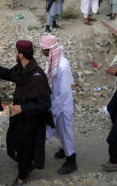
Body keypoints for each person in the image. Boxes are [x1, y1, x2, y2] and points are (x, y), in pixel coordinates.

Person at [0, 40, 53, 185]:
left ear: (21, 55)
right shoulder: (22, 69)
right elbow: (10, 74)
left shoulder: (37, 75)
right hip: (20, 117)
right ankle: (28, 163)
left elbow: (45, 103)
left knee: (24, 148)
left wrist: (22, 108)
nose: (15, 53)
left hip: (32, 120)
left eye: (16, 51)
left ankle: (21, 177)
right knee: (13, 143)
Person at [39, 35, 77, 175]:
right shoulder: (52, 60)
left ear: (50, 49)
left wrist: (52, 107)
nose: (42, 52)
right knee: (59, 130)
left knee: (65, 131)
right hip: (55, 101)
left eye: (43, 49)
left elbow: (65, 92)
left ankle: (71, 159)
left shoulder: (62, 66)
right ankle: (66, 149)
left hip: (61, 104)